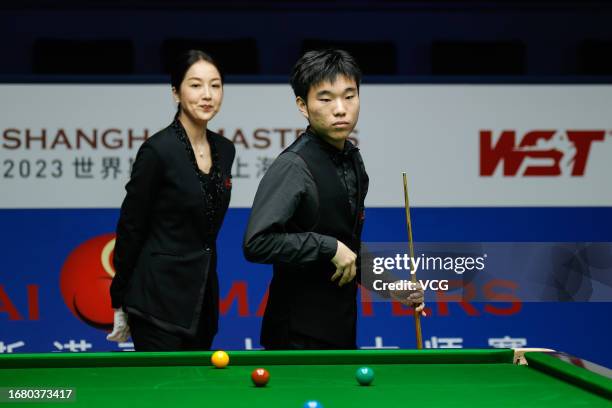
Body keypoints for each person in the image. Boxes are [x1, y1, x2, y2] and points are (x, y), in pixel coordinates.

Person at [243, 49, 424, 350]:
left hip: (341, 331)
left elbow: (349, 247)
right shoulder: (293, 166)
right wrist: (327, 246)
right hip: (295, 338)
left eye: (349, 96)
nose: (340, 109)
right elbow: (256, 243)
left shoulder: (353, 160)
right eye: (326, 99)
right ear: (303, 105)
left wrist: (394, 287)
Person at [106, 50, 235, 351]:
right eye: (196, 85)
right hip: (156, 302)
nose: (207, 95)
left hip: (202, 302)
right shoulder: (157, 151)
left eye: (215, 86)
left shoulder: (225, 150)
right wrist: (119, 301)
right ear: (176, 92)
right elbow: (131, 227)